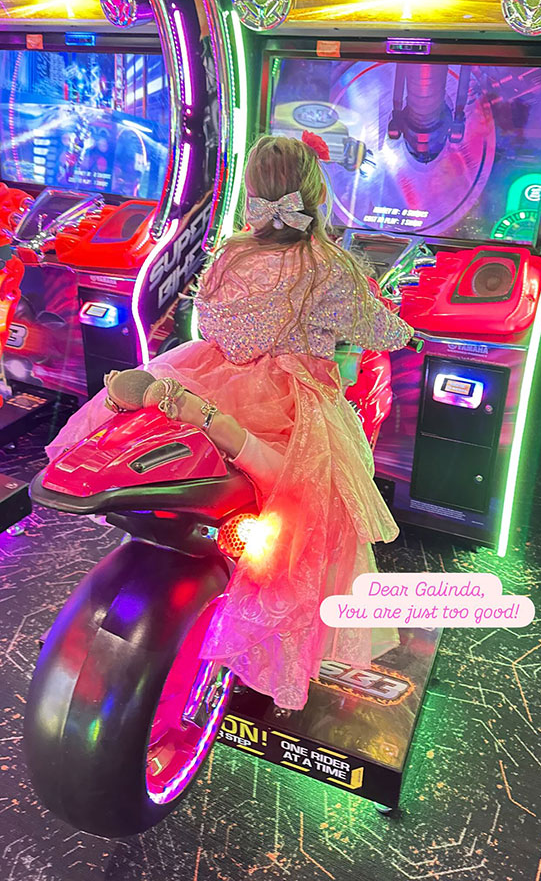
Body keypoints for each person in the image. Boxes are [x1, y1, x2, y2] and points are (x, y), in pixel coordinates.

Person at [46, 134, 414, 711]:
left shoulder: (230, 253)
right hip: (289, 390)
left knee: (276, 473)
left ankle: (187, 411)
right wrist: (406, 330)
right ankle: (270, 621)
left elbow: (212, 319)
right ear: (316, 193)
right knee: (315, 498)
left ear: (250, 195)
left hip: (205, 369)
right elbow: (380, 330)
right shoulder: (330, 266)